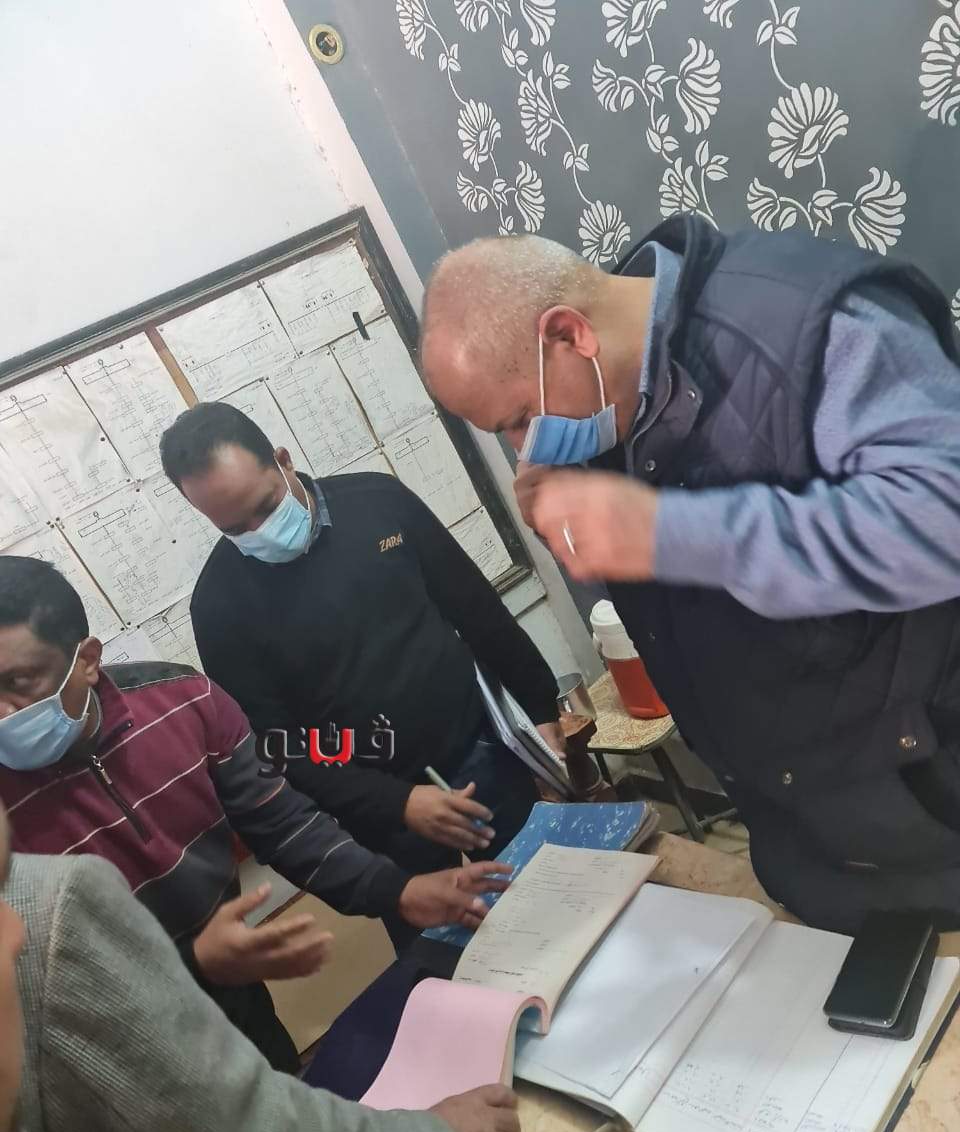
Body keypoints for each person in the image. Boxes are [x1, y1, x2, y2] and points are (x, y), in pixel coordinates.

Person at [419, 215, 960, 933]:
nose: (525, 449)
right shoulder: (607, 405)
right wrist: (581, 537)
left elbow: (942, 521)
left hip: (927, 800)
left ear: (569, 335)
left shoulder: (814, 325)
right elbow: (680, 603)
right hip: (801, 828)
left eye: (519, 419)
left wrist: (672, 530)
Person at [0, 557, 508, 1071]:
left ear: (87, 660)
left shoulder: (183, 701)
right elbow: (29, 984)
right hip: (102, 1055)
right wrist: (193, 966)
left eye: (19, 681)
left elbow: (283, 824)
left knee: (287, 1096)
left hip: (237, 997)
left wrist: (396, 890)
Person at [0, 796, 521, 1132]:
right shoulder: (50, 914)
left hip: (248, 1022)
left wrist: (392, 888)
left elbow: (276, 811)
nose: (15, 933)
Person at [159, 405, 561, 942]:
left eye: (266, 507)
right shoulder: (219, 606)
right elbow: (282, 746)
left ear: (282, 461)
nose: (260, 532)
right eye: (235, 528)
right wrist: (397, 802)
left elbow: (476, 609)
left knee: (552, 905)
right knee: (454, 957)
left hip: (484, 752)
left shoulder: (377, 501)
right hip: (381, 815)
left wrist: (542, 709)